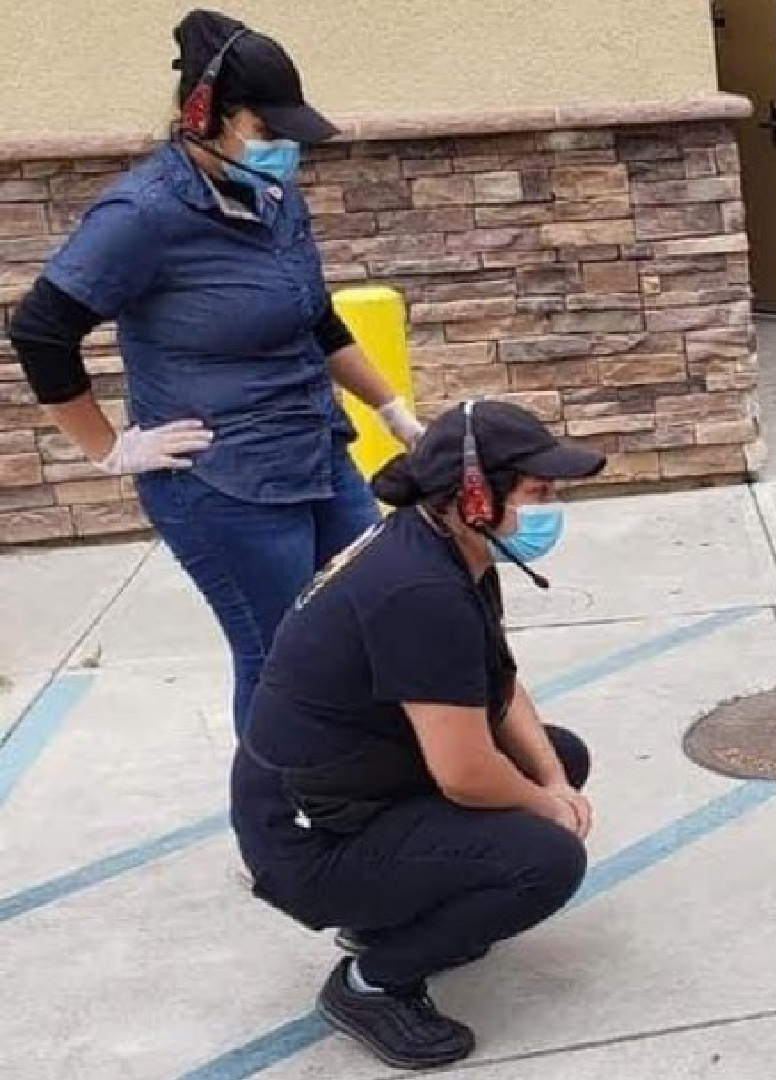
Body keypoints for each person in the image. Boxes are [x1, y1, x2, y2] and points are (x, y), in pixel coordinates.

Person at [4, 9, 424, 737]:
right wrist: (109, 446)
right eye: (268, 132)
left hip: (315, 452)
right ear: (205, 116)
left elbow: (314, 317)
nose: (286, 149)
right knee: (281, 656)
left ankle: (356, 800)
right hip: (224, 484)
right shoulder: (142, 214)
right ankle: (277, 831)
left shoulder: (272, 195)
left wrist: (391, 408)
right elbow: (40, 331)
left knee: (374, 617)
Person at [230, 399, 606, 1070]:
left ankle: (401, 908)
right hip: (305, 842)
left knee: (560, 754)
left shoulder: (448, 545)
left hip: (351, 786)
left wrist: (550, 778)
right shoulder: (420, 590)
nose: (552, 509)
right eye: (539, 492)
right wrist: (547, 807)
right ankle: (373, 981)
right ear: (471, 494)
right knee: (547, 858)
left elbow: (496, 685)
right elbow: (463, 772)